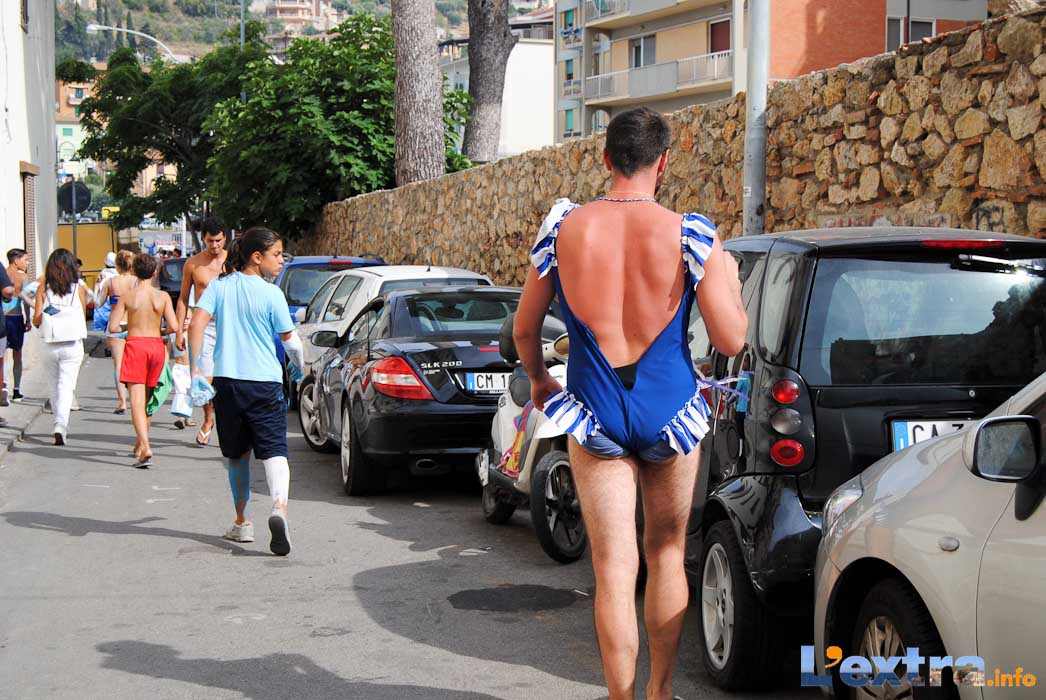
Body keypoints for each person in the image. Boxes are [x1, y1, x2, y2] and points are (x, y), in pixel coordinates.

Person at [513, 107, 747, 700]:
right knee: (666, 553)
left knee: (614, 571)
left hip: (594, 409)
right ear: (663, 162)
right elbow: (730, 340)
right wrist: (730, 281)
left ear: (606, 158)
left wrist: (539, 380)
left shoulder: (565, 228)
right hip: (671, 411)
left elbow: (524, 328)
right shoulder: (692, 234)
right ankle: (660, 692)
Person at [189, 227, 304, 556]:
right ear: (257, 257)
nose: (281, 261)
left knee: (237, 456)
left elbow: (196, 324)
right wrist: (299, 367)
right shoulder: (272, 294)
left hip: (227, 383)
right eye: (277, 254)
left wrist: (197, 370)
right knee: (275, 451)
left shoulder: (219, 286)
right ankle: (279, 508)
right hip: (265, 383)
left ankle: (242, 522)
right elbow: (291, 342)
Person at [108, 254, 178, 468]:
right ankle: (140, 443)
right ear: (155, 272)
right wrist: (159, 329)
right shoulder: (162, 296)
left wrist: (128, 326)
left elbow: (113, 327)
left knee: (137, 402)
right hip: (156, 347)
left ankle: (145, 446)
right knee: (148, 399)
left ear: (134, 271)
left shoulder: (127, 297)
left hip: (136, 346)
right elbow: (174, 327)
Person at [176, 216, 227, 446]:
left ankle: (227, 418)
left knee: (228, 375)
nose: (214, 245)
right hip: (203, 325)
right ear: (203, 239)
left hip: (230, 324)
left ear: (224, 238)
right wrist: (179, 331)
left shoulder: (233, 262)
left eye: (218, 240)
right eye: (210, 241)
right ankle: (208, 418)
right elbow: (183, 298)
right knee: (204, 377)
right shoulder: (193, 264)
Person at [33, 248, 89, 446]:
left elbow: (36, 320)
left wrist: (49, 314)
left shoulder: (43, 288)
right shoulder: (79, 288)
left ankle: (58, 422)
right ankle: (60, 425)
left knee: (53, 385)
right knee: (67, 386)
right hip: (72, 343)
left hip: (49, 343)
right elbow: (82, 315)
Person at [94, 250, 137, 414]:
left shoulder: (110, 282)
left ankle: (122, 402)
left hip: (115, 325)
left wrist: (98, 286)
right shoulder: (137, 282)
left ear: (117, 265)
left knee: (118, 364)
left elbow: (97, 303)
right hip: (134, 325)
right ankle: (136, 399)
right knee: (135, 364)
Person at [2, 249, 31, 404]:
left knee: (3, 356)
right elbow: (26, 300)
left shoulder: (3, 274)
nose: (27, 263)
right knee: (17, 355)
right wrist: (28, 320)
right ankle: (16, 391)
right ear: (16, 260)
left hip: (2, 318)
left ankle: (4, 387)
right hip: (15, 318)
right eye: (25, 259)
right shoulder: (22, 277)